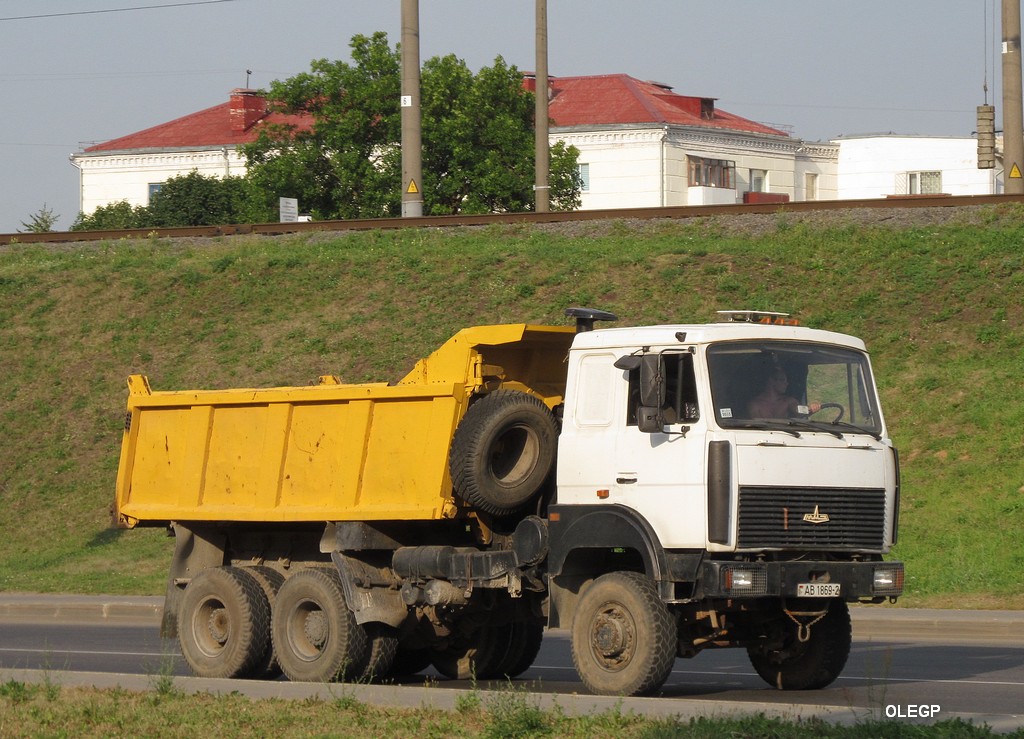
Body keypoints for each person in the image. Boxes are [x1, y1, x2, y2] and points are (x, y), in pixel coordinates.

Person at [747, 365, 820, 419]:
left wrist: (811, 408)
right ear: (771, 381)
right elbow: (756, 426)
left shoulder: (788, 401)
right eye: (782, 380)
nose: (786, 383)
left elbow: (799, 411)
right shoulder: (755, 404)